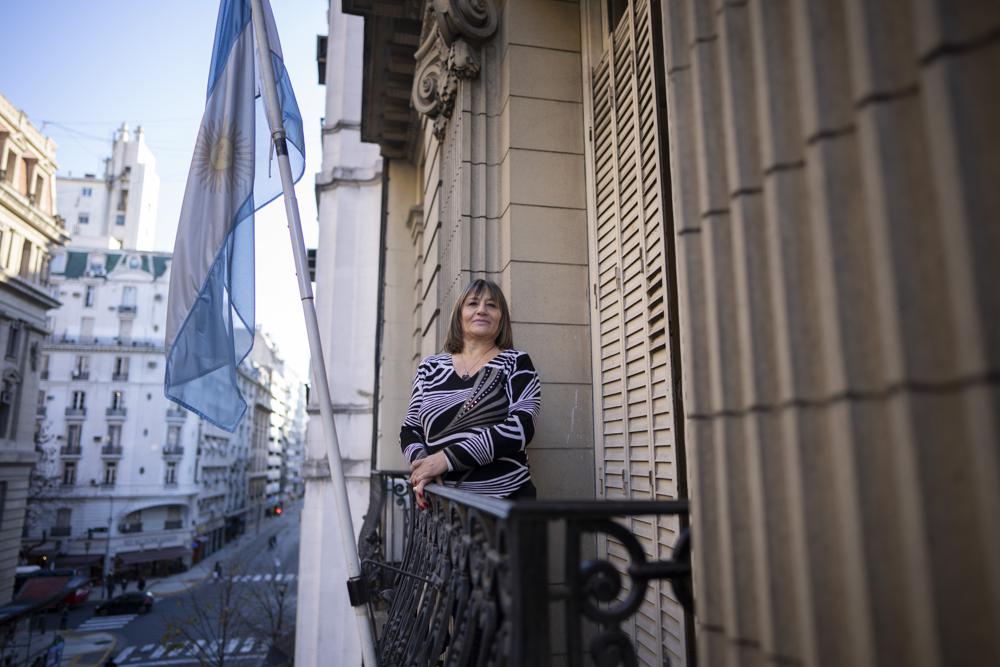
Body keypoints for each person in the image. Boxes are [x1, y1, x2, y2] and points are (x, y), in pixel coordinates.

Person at [403, 279, 541, 505]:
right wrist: (424, 465)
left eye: (492, 305)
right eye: (473, 303)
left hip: (504, 504)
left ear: (501, 318)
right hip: (444, 507)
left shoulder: (517, 362)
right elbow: (410, 428)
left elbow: (522, 426)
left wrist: (446, 460)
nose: (482, 310)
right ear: (459, 315)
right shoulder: (430, 367)